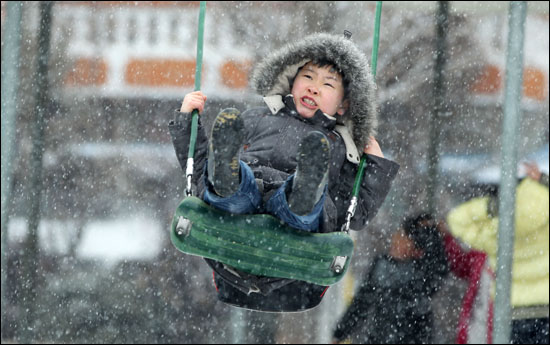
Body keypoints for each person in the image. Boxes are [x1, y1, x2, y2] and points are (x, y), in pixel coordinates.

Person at [168, 32, 400, 312]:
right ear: (290, 80)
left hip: (294, 228)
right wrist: (187, 120)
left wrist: (375, 164)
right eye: (308, 77)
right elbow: (198, 164)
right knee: (235, 190)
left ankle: (304, 189)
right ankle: (227, 175)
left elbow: (356, 211)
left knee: (302, 206)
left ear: (344, 105)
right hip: (245, 201)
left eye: (328, 84)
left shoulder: (344, 146)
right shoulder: (256, 116)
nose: (314, 88)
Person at [447, 161, 549, 344]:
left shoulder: (499, 233)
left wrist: (494, 206)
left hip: (512, 309)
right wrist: (544, 181)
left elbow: (456, 219)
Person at [332, 213, 449, 343]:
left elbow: (438, 268)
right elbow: (362, 301)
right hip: (380, 337)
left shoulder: (422, 272)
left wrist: (429, 230)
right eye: (398, 235)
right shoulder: (382, 265)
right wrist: (341, 332)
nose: (396, 240)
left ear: (417, 249)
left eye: (404, 238)